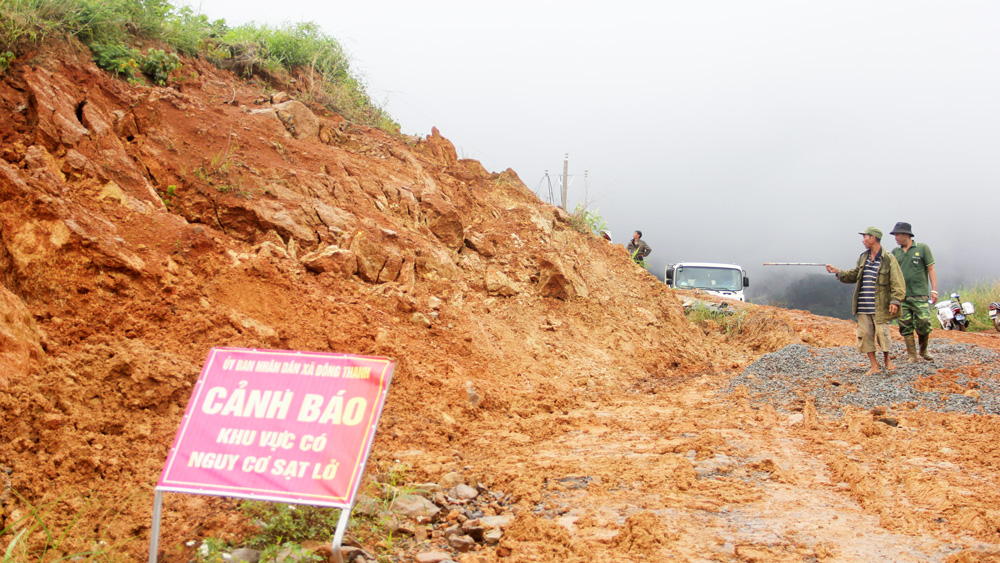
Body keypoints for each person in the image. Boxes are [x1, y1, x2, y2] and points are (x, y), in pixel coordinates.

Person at [826, 227, 906, 376]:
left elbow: (897, 282)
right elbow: (855, 274)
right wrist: (838, 272)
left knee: (883, 334)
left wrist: (895, 301)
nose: (863, 240)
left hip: (880, 305)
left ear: (873, 238)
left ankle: (888, 361)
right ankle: (874, 365)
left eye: (865, 237)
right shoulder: (863, 257)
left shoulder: (888, 258)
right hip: (863, 305)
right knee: (866, 335)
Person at [889, 221, 937, 362]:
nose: (895, 237)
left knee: (924, 321)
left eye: (897, 234)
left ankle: (923, 349)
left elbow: (931, 269)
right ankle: (912, 354)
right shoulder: (895, 253)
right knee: (905, 324)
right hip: (901, 296)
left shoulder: (922, 248)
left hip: (919, 293)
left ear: (906, 234)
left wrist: (934, 289)